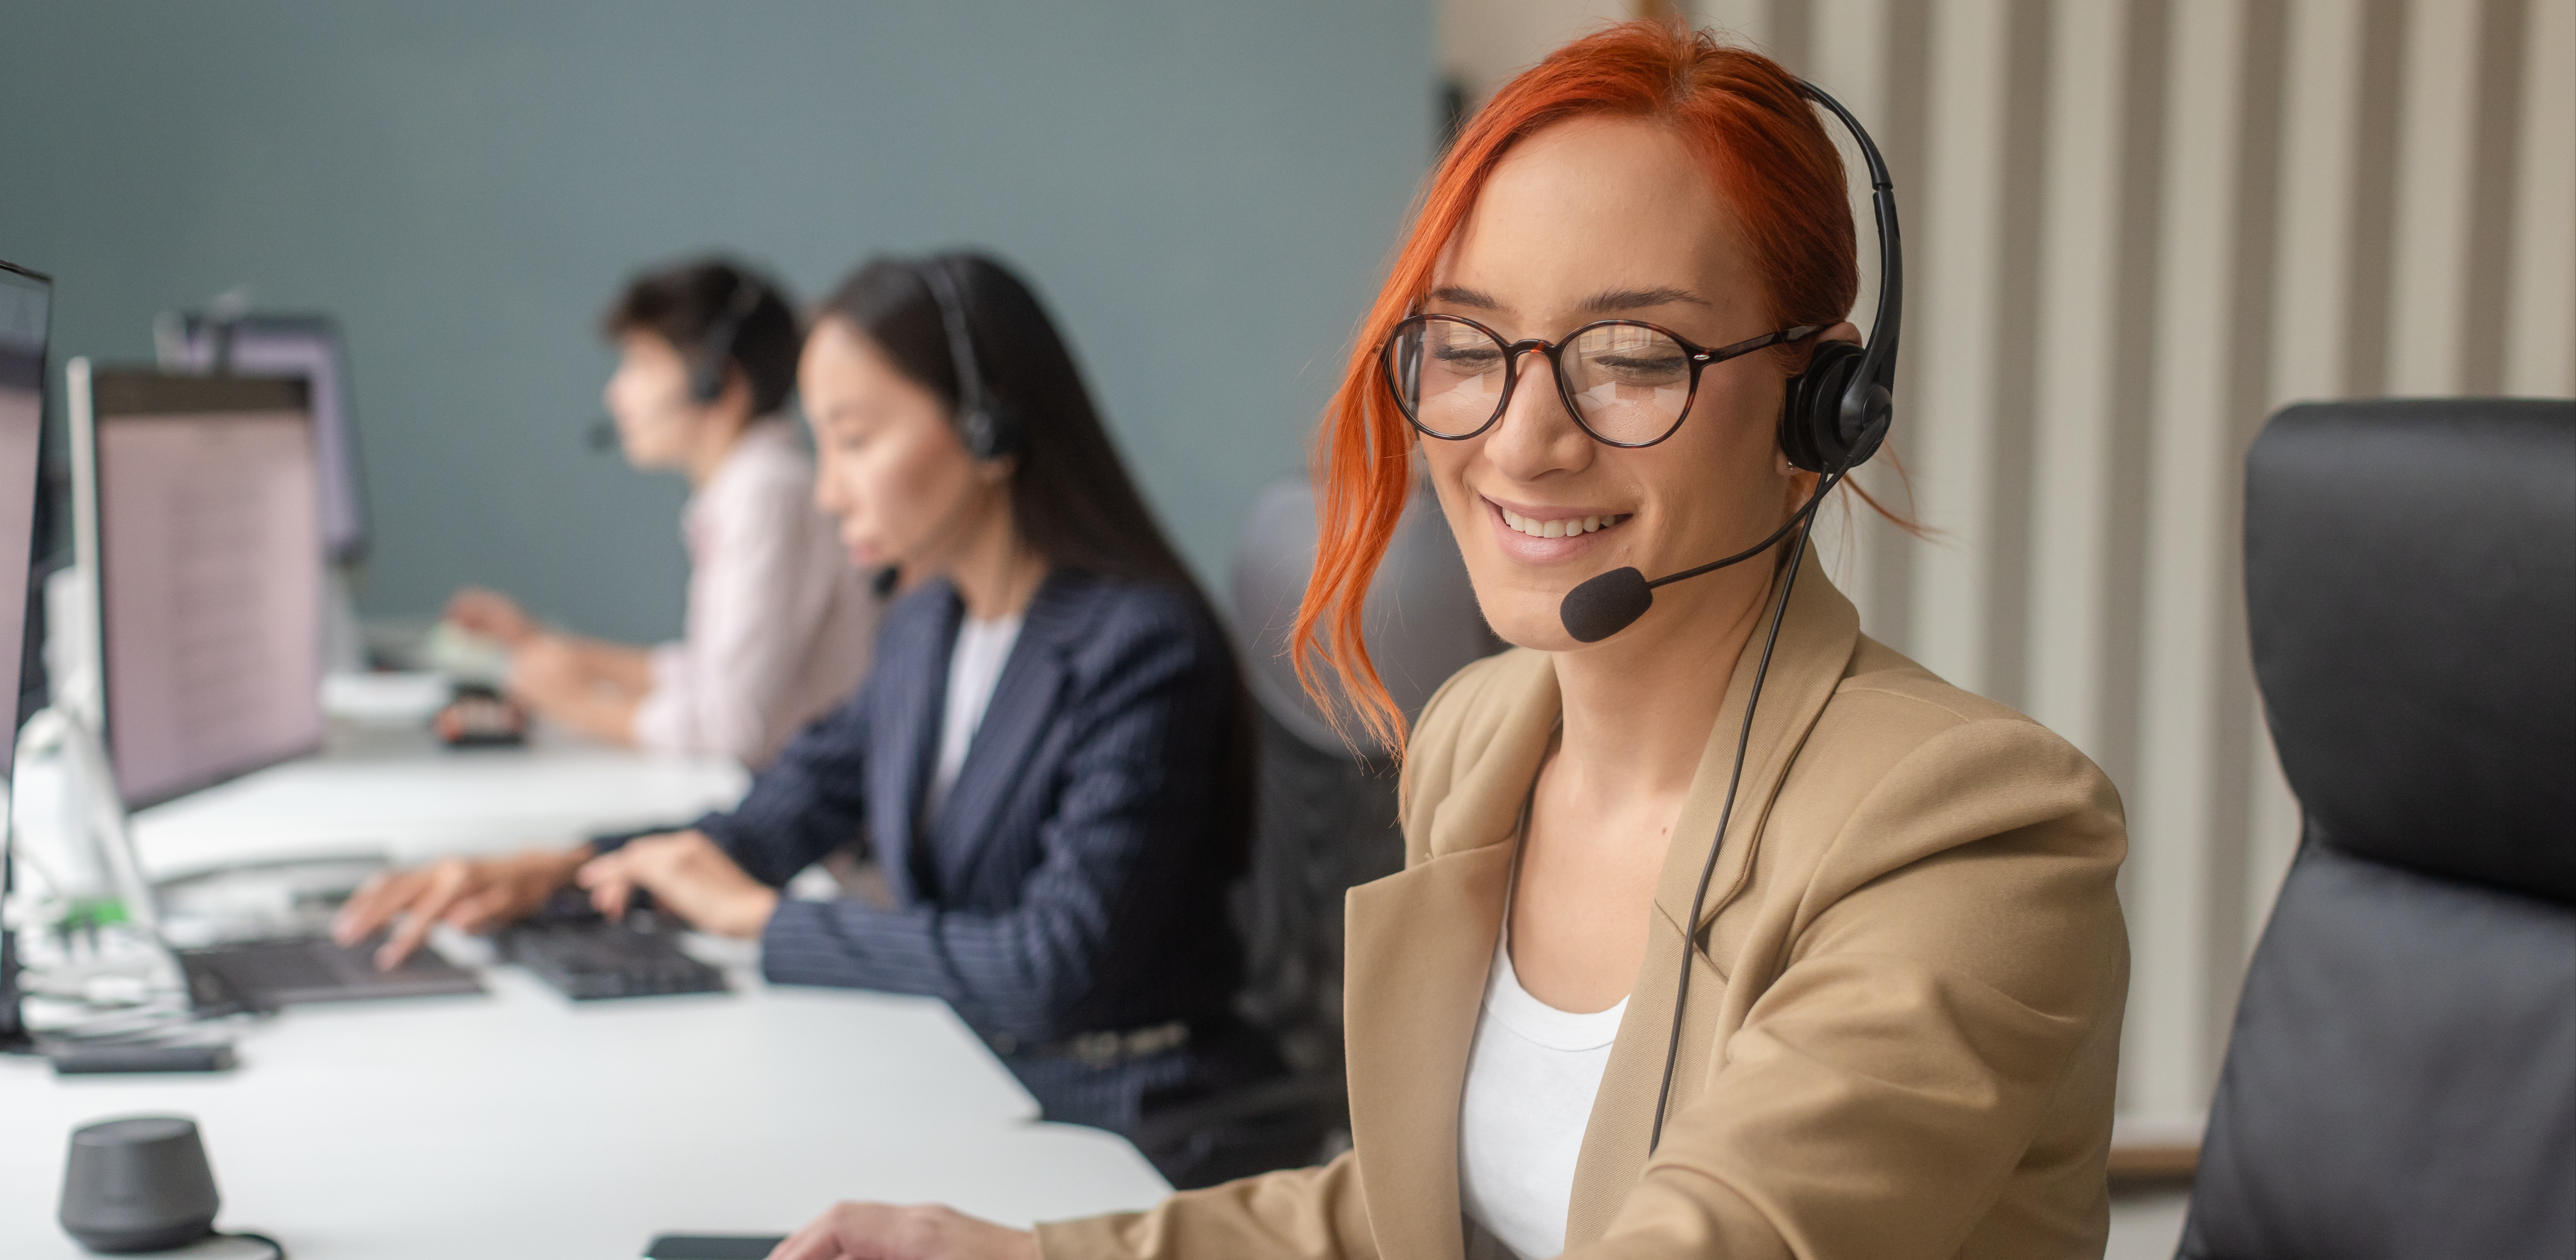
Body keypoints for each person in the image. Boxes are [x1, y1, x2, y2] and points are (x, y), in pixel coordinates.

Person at [769, 22, 2128, 1260]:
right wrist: (1015, 1254)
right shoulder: (1485, 735)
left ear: (1821, 407)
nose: (1524, 442)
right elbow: (1404, 1215)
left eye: (1633, 354)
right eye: (1469, 348)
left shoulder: (1970, 827)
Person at [337, 253, 1290, 1188]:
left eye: (856, 439)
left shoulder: (1139, 645)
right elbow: (774, 818)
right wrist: (560, 866)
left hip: (1131, 1124)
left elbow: (1052, 967)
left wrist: (761, 920)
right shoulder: (926, 623)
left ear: (988, 425)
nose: (829, 490)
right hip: (982, 1077)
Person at [442, 258, 878, 766]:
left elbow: (729, 728)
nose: (617, 393)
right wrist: (556, 649)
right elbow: (710, 672)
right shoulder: (749, 485)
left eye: (643, 364)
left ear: (716, 384)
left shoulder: (766, 491)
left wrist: (577, 702)